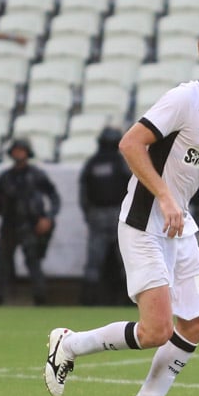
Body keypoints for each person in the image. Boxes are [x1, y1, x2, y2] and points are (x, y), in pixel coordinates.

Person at [44, 24, 199, 396]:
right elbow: (130, 143)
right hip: (144, 224)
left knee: (198, 323)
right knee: (156, 331)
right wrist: (164, 196)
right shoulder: (183, 98)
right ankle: (69, 344)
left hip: (180, 228)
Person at [0, 139, 61, 306]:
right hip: (8, 225)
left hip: (31, 225)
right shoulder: (5, 177)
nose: (18, 154)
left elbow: (54, 197)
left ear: (27, 152)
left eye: (22, 150)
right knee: (2, 264)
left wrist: (48, 217)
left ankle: (40, 300)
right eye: (16, 150)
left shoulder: (37, 175)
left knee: (33, 263)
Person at [78, 127, 132, 305]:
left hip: (97, 216)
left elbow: (83, 194)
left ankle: (88, 301)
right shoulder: (122, 162)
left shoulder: (91, 163)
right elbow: (132, 189)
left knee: (94, 262)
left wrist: (90, 215)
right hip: (119, 215)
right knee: (126, 260)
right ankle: (128, 302)